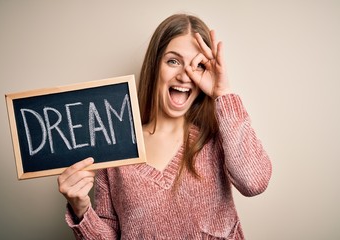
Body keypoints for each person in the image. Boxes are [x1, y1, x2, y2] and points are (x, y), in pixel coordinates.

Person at [58, 13, 272, 239]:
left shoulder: (218, 137)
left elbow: (254, 183)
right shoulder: (116, 151)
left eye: (198, 65)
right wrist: (81, 209)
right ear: (155, 65)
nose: (184, 76)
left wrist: (223, 93)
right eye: (173, 61)